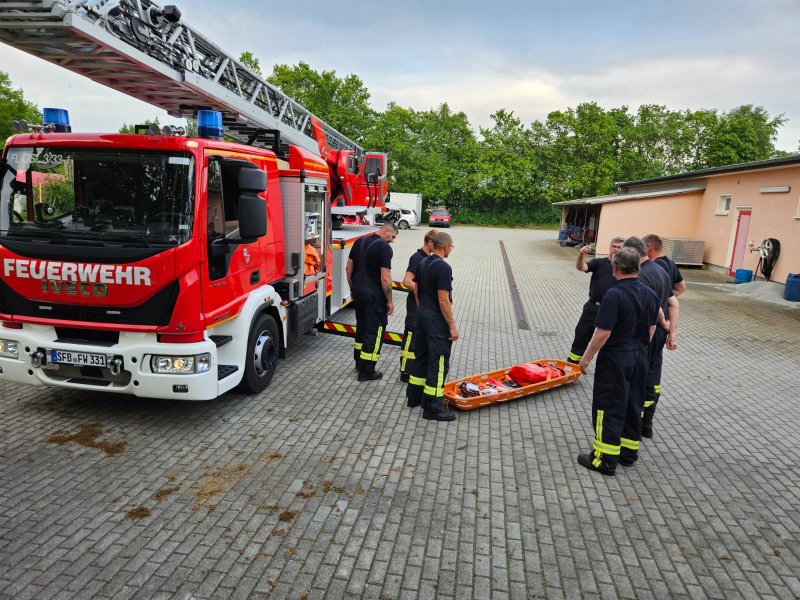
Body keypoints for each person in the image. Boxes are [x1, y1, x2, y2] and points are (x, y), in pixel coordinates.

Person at [577, 247, 659, 476]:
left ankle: (604, 459)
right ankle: (628, 453)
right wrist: (640, 350)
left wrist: (586, 359)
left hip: (616, 358)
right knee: (633, 404)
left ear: (615, 267)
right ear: (638, 267)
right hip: (640, 356)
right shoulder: (650, 293)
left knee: (608, 406)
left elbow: (603, 332)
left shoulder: (614, 294)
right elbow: (653, 327)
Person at [624, 236, 679, 438]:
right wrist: (671, 332)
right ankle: (647, 423)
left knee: (638, 376)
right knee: (653, 376)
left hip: (647, 333)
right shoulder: (661, 271)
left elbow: (655, 307)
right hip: (659, 336)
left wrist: (663, 323)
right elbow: (673, 303)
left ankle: (634, 424)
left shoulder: (642, 275)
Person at [405, 232, 458, 421]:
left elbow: (417, 290)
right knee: (438, 362)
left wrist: (423, 311)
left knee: (421, 357)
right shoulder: (443, 267)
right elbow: (443, 300)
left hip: (421, 317)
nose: (451, 250)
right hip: (436, 321)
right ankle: (433, 407)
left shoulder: (423, 262)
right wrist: (452, 325)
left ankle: (414, 397)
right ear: (445, 246)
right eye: (451, 247)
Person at [346, 222, 398, 381]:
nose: (392, 240)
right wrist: (389, 300)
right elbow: (385, 277)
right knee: (375, 331)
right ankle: (367, 370)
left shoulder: (359, 242)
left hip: (359, 293)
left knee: (361, 327)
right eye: (393, 236)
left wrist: (353, 289)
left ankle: (359, 363)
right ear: (386, 231)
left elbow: (348, 269)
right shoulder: (384, 248)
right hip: (374, 296)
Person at [567, 237, 625, 364]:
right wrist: (581, 255)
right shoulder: (599, 262)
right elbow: (582, 267)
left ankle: (604, 366)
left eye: (619, 247)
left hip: (611, 311)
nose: (615, 249)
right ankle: (572, 364)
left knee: (609, 339)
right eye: (613, 246)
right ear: (609, 247)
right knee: (581, 335)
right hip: (593, 307)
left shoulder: (625, 269)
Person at [399, 230, 437, 382]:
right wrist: (423, 290)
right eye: (436, 244)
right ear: (430, 242)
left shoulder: (426, 258)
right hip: (414, 306)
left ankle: (413, 368)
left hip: (421, 306)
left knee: (418, 339)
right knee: (411, 338)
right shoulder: (417, 258)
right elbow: (407, 281)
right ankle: (405, 371)